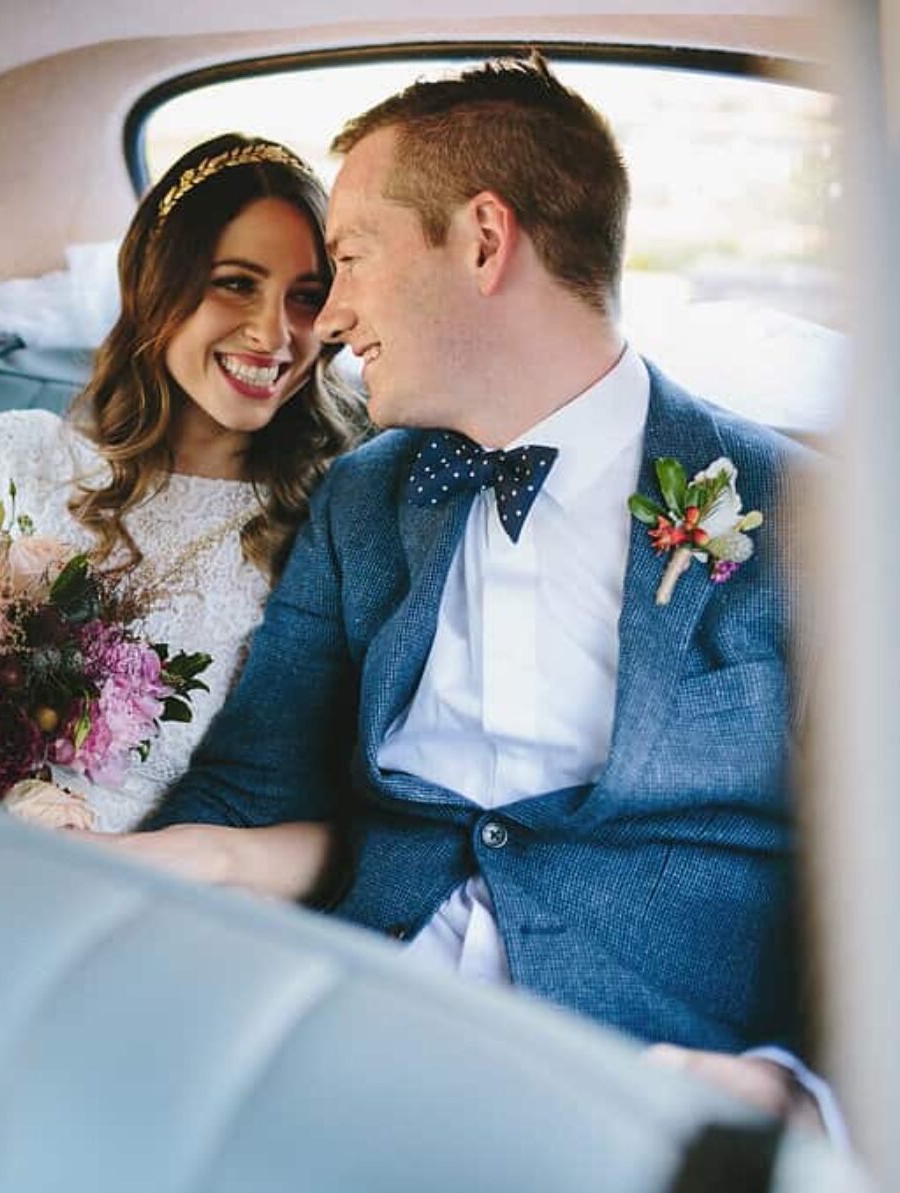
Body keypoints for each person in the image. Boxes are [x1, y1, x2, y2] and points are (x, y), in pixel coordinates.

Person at [111, 56, 837, 1134]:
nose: (332, 317)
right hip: (344, 1032)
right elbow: (249, 789)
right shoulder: (363, 500)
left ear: (485, 242)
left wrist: (795, 1094)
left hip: (644, 1088)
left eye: (349, 261)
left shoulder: (807, 517)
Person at [0, 133, 364, 834]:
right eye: (236, 283)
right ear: (158, 286)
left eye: (306, 297)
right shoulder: (12, 455)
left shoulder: (330, 523)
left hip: (150, 890)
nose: (273, 333)